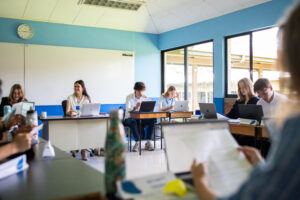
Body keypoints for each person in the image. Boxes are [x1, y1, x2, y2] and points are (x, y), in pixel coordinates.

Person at [191, 2, 300, 199]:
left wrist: (200, 181)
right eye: (239, 88)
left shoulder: (294, 125)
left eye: (243, 87)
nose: (242, 90)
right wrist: (262, 166)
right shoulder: (252, 103)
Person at [0, 80, 33, 161]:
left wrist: (13, 134)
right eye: (14, 93)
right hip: (7, 127)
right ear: (11, 93)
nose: (16, 95)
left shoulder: (24, 101)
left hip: (17, 127)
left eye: (18, 93)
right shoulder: (5, 100)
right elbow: (1, 115)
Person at [124, 82, 155, 152]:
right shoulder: (129, 97)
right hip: (129, 118)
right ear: (135, 90)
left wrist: (147, 99)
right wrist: (135, 107)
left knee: (152, 120)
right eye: (139, 91)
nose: (141, 93)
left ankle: (148, 142)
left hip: (140, 118)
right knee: (133, 121)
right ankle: (137, 142)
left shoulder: (144, 98)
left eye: (142, 91)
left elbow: (151, 107)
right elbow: (128, 109)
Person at [66, 80, 91, 161]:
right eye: (75, 86)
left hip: (83, 121)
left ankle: (83, 151)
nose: (76, 88)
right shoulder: (70, 97)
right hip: (72, 120)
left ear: (82, 88)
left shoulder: (86, 98)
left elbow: (87, 111)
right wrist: (70, 112)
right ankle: (74, 148)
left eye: (78, 86)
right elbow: (66, 111)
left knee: (85, 130)